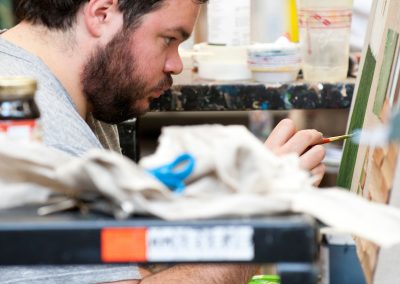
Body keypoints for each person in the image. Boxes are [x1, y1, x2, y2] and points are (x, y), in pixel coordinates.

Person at [0, 0, 325, 283]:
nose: (177, 64)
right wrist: (262, 211)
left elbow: (123, 269)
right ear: (101, 13)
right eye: (168, 39)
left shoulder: (77, 94)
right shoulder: (34, 128)